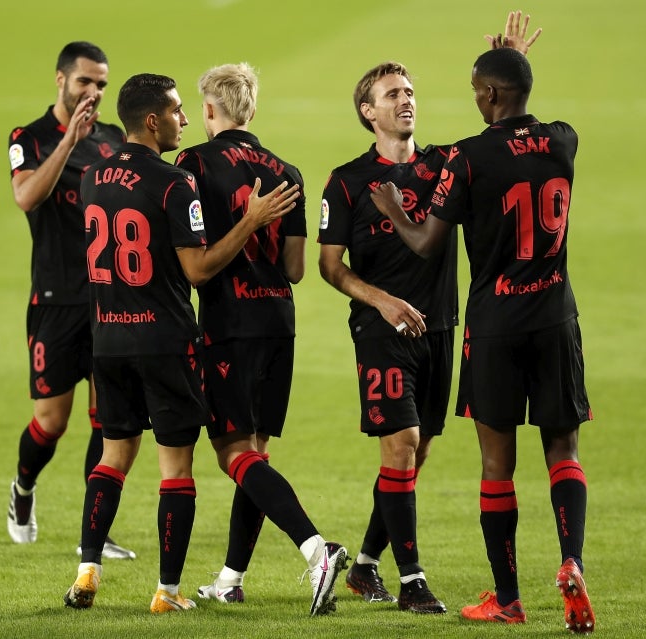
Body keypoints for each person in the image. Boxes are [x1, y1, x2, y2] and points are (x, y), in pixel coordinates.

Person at [317, 12, 539, 614]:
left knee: (415, 455)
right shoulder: (346, 182)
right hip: (381, 330)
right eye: (392, 94)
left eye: (410, 91)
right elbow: (330, 267)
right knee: (403, 443)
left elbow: (506, 140)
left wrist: (510, 71)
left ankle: (364, 566)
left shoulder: (448, 162)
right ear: (369, 111)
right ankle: (412, 579)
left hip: (442, 328)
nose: (406, 100)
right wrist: (383, 301)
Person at [370, 46, 595, 632]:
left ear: (490, 95)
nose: (473, 96)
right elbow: (532, 126)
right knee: (563, 451)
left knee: (498, 465)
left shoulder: (469, 160)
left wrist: (394, 208)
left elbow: (426, 242)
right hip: (554, 318)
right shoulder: (563, 141)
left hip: (495, 325)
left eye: (477, 88)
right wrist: (512, 65)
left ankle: (509, 598)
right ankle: (572, 560)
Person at [62, 72, 303, 614]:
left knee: (113, 456)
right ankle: (167, 593)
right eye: (175, 111)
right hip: (165, 340)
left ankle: (86, 573)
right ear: (152, 120)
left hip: (108, 340)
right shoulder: (174, 182)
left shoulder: (91, 175)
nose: (184, 120)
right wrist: (249, 221)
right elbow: (197, 269)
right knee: (177, 467)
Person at [174, 62, 348, 615]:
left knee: (231, 453)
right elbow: (295, 269)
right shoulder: (288, 172)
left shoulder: (194, 163)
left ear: (209, 110)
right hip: (279, 321)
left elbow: (197, 265)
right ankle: (230, 577)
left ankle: (317, 550)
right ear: (252, 107)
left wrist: (246, 224)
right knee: (256, 455)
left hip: (230, 325)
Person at [6, 40, 134, 560]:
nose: (94, 92)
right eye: (85, 82)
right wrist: (69, 141)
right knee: (51, 422)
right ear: (61, 80)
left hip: (109, 303)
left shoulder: (111, 139)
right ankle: (22, 490)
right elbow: (26, 196)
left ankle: (94, 535)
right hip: (57, 302)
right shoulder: (29, 137)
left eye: (101, 84)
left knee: (107, 423)